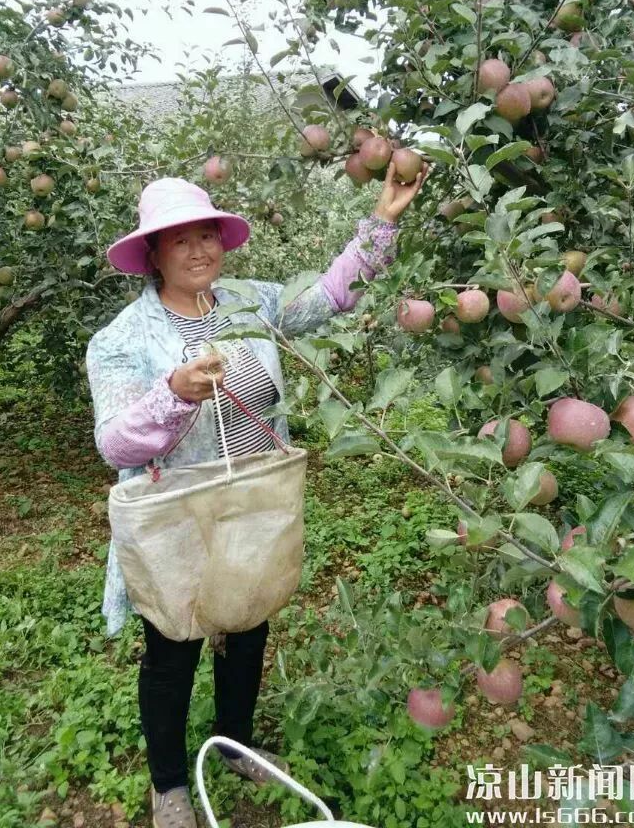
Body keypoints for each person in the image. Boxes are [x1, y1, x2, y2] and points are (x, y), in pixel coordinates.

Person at [85, 162, 426, 828]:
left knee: (247, 626)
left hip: (254, 502)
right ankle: (169, 786)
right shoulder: (122, 340)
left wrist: (381, 223)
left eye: (205, 232)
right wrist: (172, 393)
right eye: (177, 238)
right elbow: (116, 442)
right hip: (176, 515)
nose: (197, 248)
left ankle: (236, 744)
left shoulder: (253, 304)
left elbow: (328, 295)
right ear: (152, 253)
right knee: (172, 650)